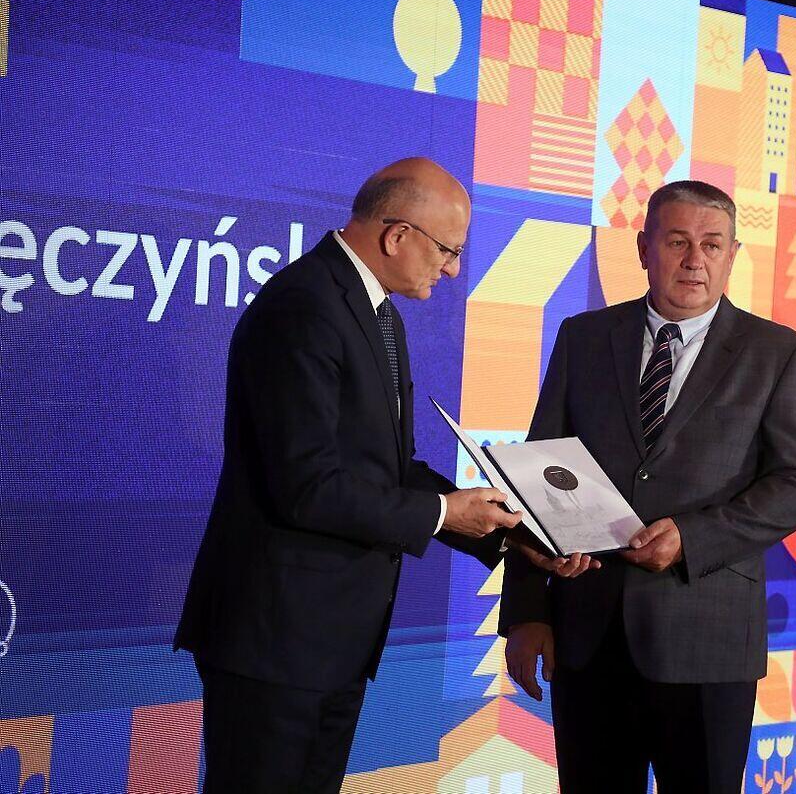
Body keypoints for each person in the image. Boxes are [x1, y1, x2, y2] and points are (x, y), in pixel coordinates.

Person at [175, 158, 592, 793]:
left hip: (331, 640)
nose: (452, 270)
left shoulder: (376, 313)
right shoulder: (304, 308)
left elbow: (390, 471)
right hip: (275, 639)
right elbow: (307, 487)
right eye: (448, 250)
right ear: (398, 236)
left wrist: (513, 534)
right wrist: (447, 513)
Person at [499, 180, 796, 793]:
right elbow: (536, 476)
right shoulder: (582, 338)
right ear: (644, 248)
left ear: (732, 255)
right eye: (677, 242)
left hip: (708, 638)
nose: (695, 260)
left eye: (712, 244)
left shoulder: (778, 352)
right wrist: (526, 612)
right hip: (587, 636)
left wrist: (694, 538)